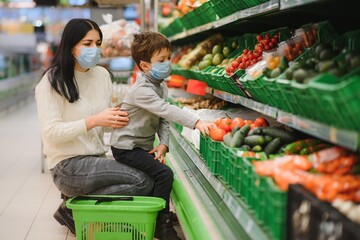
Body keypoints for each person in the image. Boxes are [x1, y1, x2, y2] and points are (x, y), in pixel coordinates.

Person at [34, 18, 154, 235]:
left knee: (149, 172)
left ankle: (77, 205)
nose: (95, 49)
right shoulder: (52, 81)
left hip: (96, 158)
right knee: (142, 181)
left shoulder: (102, 75)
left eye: (98, 43)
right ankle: (71, 208)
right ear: (71, 46)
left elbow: (106, 124)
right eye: (87, 44)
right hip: (67, 165)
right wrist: (94, 121)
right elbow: (51, 134)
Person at [110, 31, 214, 240]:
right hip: (126, 147)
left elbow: (163, 119)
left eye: (168, 58)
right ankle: (161, 225)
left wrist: (164, 144)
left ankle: (158, 214)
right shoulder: (142, 90)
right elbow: (166, 110)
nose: (168, 63)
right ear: (145, 65)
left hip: (141, 145)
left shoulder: (161, 86)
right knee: (164, 174)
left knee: (157, 174)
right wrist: (196, 122)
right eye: (162, 60)